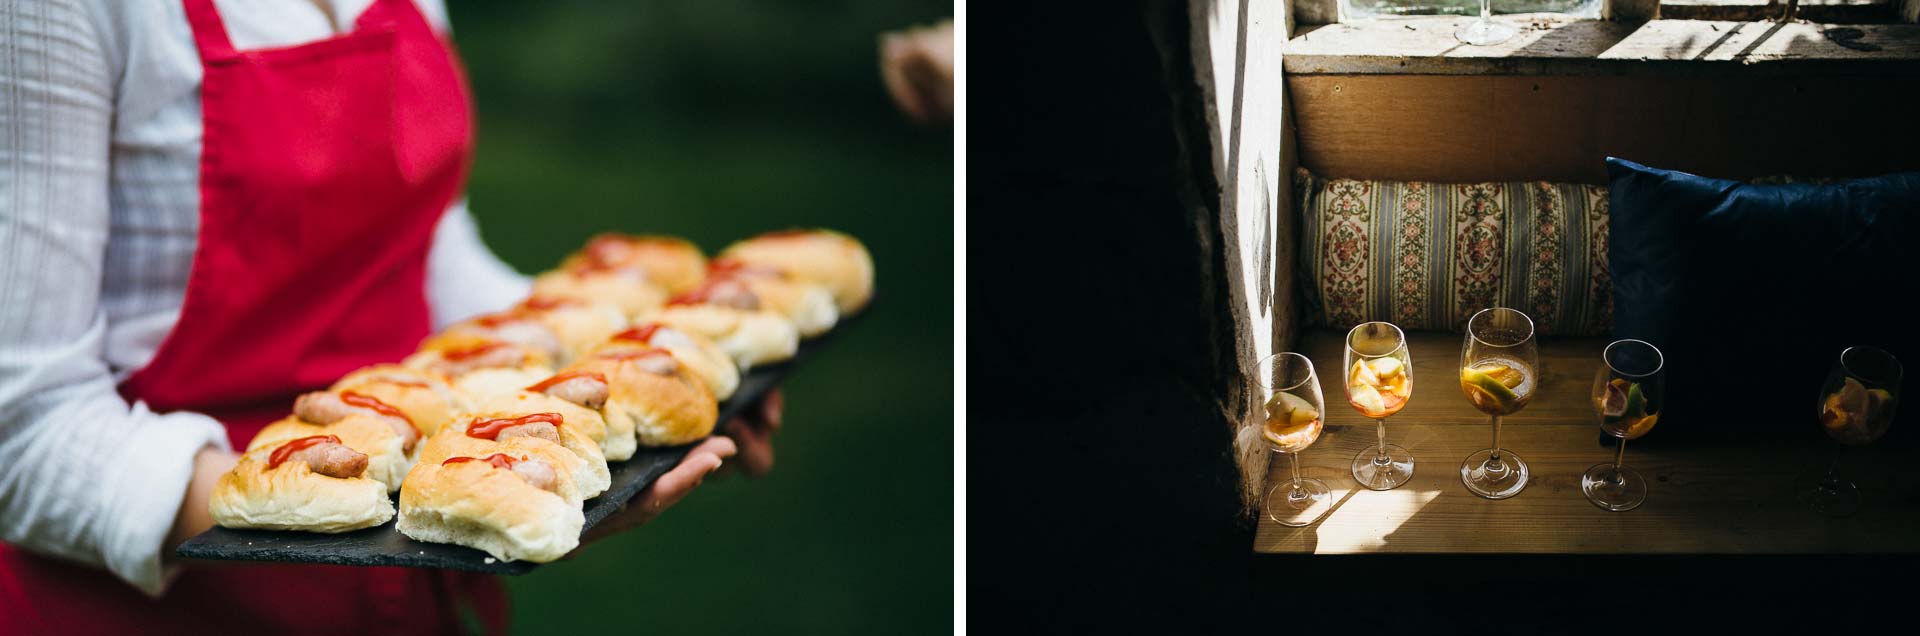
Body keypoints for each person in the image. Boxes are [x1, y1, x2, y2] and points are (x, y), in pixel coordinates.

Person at [0, 0, 780, 632]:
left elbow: (425, 250)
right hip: (144, 605)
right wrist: (396, 521)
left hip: (401, 579)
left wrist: (607, 376)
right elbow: (22, 427)